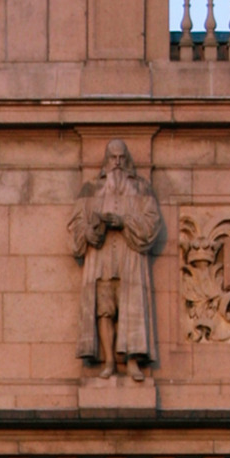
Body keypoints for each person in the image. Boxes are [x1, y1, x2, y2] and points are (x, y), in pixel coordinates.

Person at [70, 140, 165, 382]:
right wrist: (90, 232)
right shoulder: (91, 189)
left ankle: (132, 361)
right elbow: (77, 225)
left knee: (130, 307)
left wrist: (124, 222)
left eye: (122, 158)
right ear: (106, 161)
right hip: (102, 260)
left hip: (129, 258)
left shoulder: (141, 188)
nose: (118, 163)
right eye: (113, 158)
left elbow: (152, 223)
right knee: (104, 311)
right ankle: (109, 361)